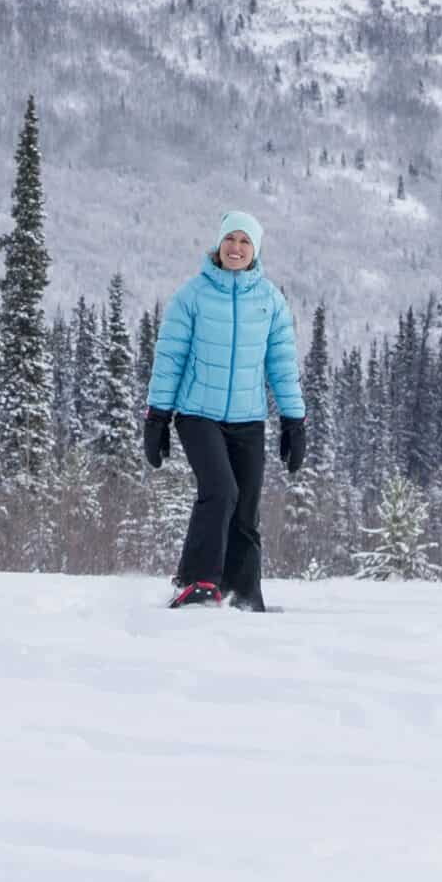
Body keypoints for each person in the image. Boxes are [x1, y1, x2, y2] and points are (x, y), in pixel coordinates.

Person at [143, 210, 306, 610]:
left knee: (246, 507)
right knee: (221, 490)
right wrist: (157, 418)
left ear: (256, 250)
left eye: (245, 242)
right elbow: (170, 360)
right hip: (198, 413)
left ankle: (243, 594)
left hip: (248, 418)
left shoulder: (270, 300)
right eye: (230, 240)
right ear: (219, 245)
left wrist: (294, 421)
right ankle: (196, 580)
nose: (236, 248)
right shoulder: (192, 296)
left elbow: (282, 366)